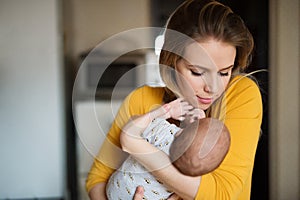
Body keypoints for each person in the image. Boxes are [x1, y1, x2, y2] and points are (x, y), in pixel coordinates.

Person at [86, 0, 263, 199]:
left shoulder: (241, 94)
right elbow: (97, 179)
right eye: (197, 72)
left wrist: (134, 143)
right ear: (171, 60)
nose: (212, 88)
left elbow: (222, 193)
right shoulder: (141, 99)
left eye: (224, 73)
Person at [105, 98, 230, 200]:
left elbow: (133, 123)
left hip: (114, 187)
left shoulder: (164, 133)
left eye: (204, 121)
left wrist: (164, 111)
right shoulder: (189, 176)